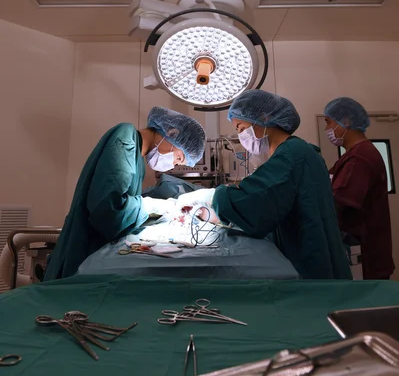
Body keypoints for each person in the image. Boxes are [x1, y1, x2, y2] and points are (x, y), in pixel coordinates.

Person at [192, 90, 352, 280]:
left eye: (241, 128)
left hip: (311, 263)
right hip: (315, 254)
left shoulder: (292, 154)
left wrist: (208, 197)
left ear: (264, 117)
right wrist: (213, 215)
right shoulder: (298, 152)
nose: (241, 136)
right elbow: (272, 207)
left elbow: (255, 203)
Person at [44, 107, 206, 280]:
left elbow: (124, 203)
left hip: (95, 250)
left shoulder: (138, 160)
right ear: (172, 133)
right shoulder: (125, 138)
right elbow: (108, 213)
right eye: (178, 158)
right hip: (83, 252)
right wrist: (155, 206)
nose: (173, 165)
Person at [324, 97, 394, 280]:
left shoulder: (359, 159)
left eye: (328, 122)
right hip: (366, 254)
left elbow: (338, 204)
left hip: (366, 259)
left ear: (345, 121)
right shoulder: (355, 155)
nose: (327, 130)